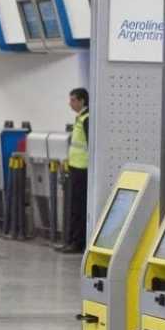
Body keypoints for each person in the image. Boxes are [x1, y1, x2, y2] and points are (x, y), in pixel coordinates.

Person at [62, 87, 90, 254]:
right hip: (75, 167)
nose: (70, 103)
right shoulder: (80, 118)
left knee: (78, 207)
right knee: (73, 206)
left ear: (82, 101)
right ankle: (71, 240)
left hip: (82, 169)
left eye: (73, 100)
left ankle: (77, 242)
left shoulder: (87, 119)